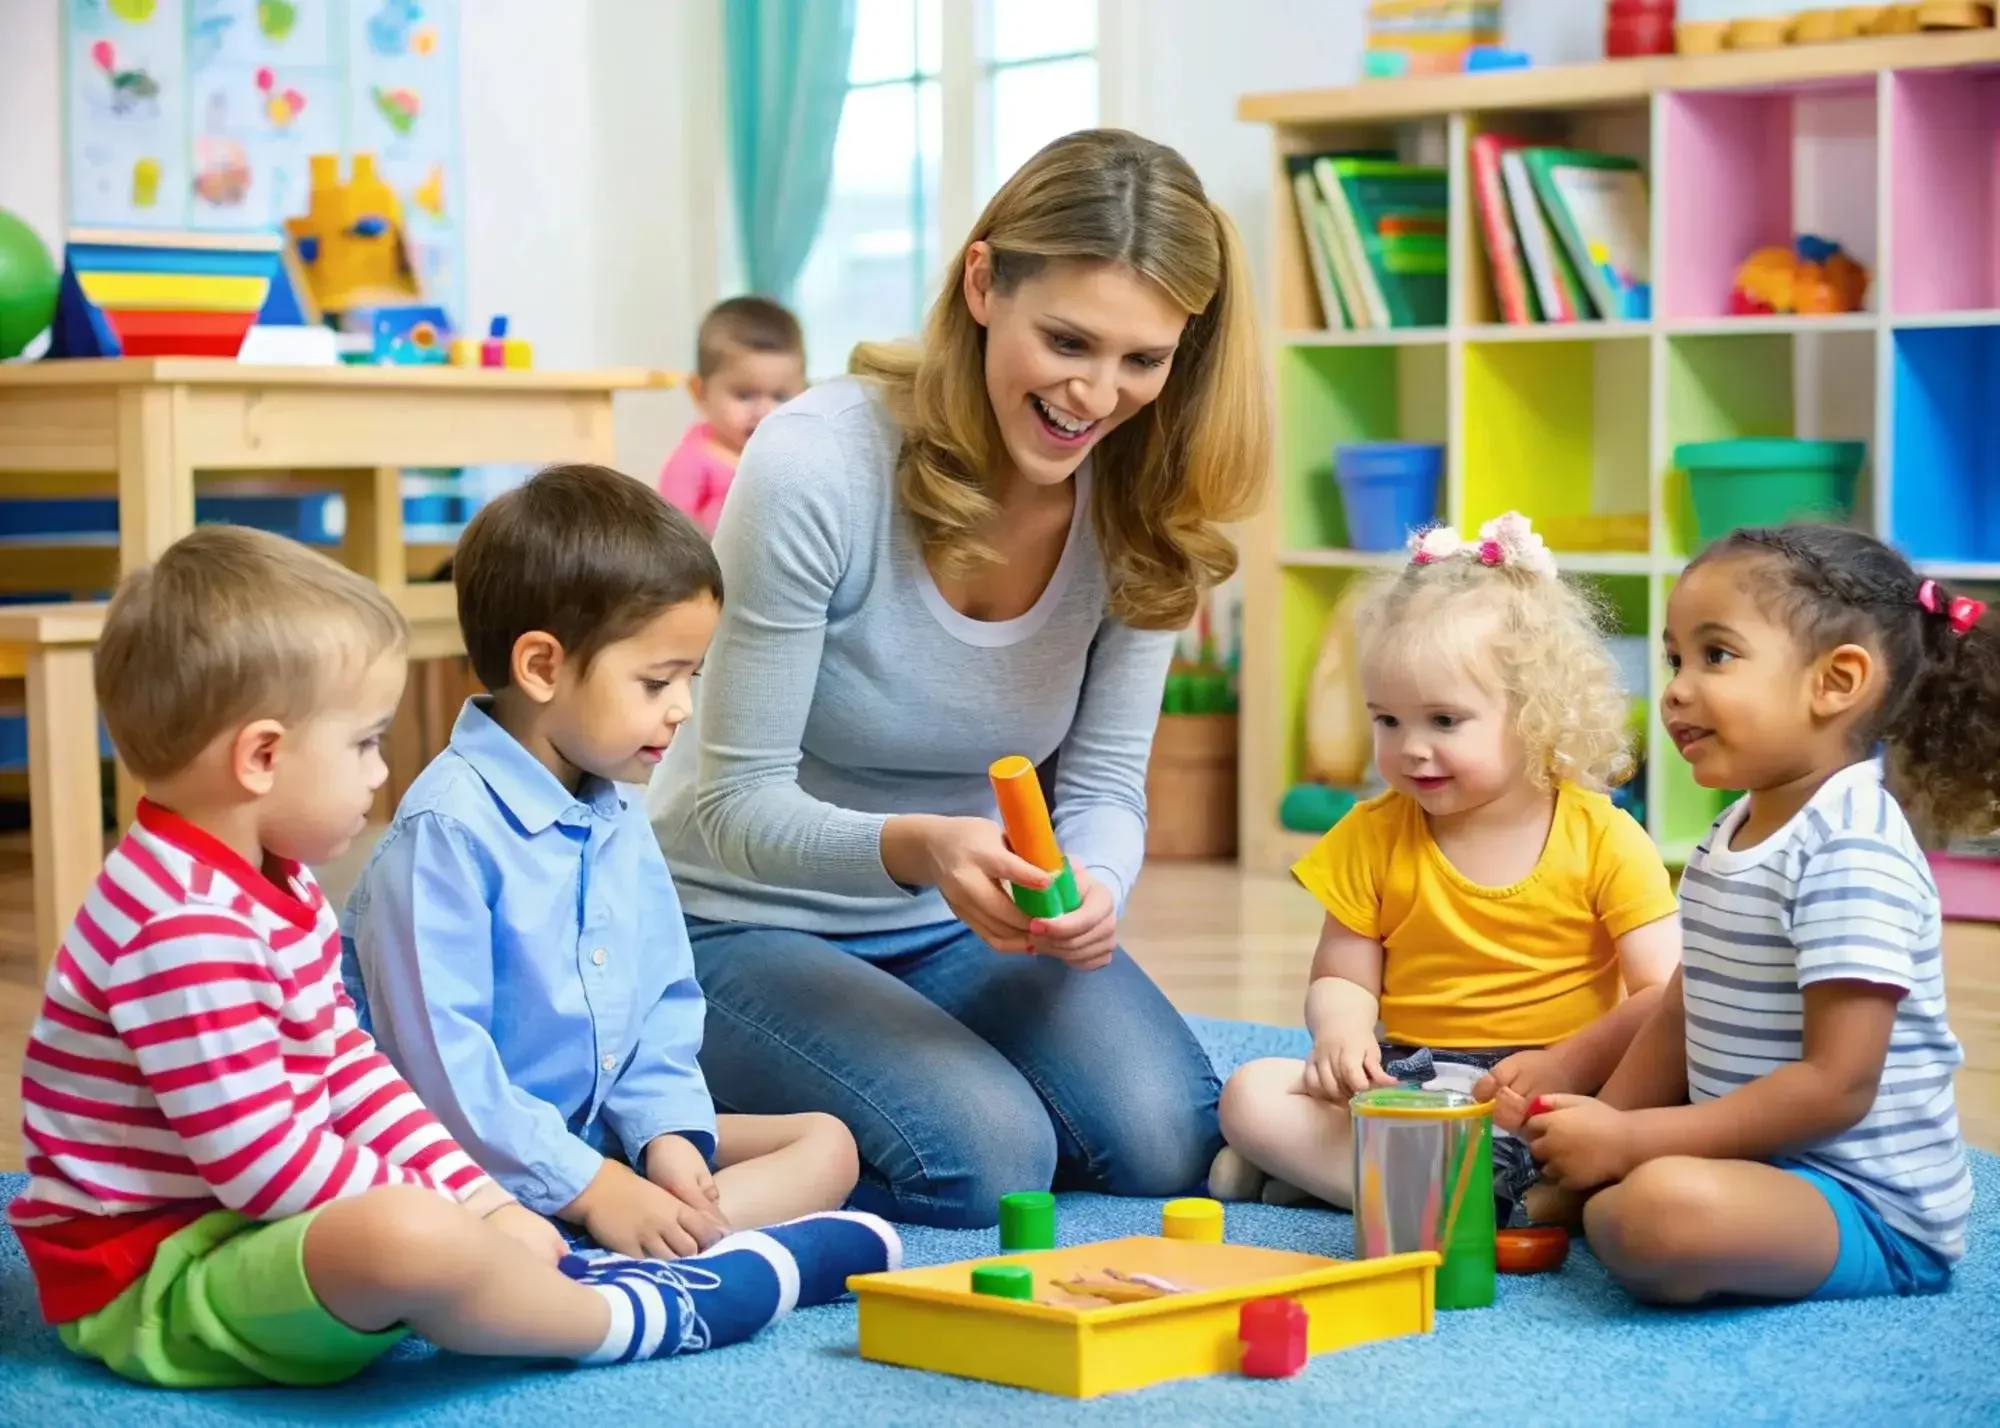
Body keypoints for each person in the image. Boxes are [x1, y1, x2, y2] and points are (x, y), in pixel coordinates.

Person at [8, 526, 897, 1388]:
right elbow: (263, 1164)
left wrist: (500, 1202)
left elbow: (350, 1075)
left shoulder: (274, 885)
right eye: (363, 743)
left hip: (283, 1218)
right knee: (406, 1233)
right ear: (262, 758)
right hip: (164, 1275)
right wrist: (464, 1207)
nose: (380, 771)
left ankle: (620, 1253)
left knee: (821, 1142)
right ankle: (625, 1314)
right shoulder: (182, 925)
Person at [646, 128, 1268, 1227]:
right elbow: (724, 803)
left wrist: (1094, 891)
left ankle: (916, 1071)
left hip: (963, 919)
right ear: (983, 283)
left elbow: (1105, 789)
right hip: (739, 917)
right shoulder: (817, 464)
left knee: (1167, 1137)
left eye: (1143, 359)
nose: (1096, 394)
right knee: (986, 1158)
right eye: (1066, 340)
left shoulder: (1144, 505)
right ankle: (670, 1099)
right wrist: (921, 848)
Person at [344, 465, 862, 1260]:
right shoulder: (445, 831)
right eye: (657, 681)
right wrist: (591, 1186)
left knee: (828, 1144)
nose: (682, 706)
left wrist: (667, 1137)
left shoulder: (617, 809)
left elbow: (659, 1002)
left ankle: (653, 1236)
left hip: (594, 1141)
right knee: (439, 1245)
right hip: (459, 1164)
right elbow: (442, 1076)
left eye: (691, 676)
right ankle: (613, 1239)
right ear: (543, 668)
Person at [1528, 524, 1985, 1304]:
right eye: (1676, 659)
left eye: (1717, 655)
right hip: (1749, 1164)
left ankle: (1643, 1198)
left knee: (1656, 1216)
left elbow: (1835, 1087)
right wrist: (1598, 1132)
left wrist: (1630, 1144)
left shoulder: (1852, 848)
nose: (1675, 688)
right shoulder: (1733, 829)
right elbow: (1683, 1008)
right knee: (1627, 1185)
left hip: (1863, 1202)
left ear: (1836, 683)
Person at [1210, 514, 1681, 1226]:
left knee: (1665, 1111)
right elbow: (1342, 972)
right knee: (1250, 1091)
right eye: (1387, 721)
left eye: (1444, 720)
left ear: (1533, 715)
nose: (1411, 750)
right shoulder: (1372, 834)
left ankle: (1350, 1180)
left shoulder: (1604, 835)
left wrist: (1569, 1064)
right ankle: (1466, 1195)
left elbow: (1661, 995)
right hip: (1417, 1085)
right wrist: (1342, 1034)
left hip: (1559, 1091)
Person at [657, 296, 807, 535]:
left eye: (780, 396)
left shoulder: (802, 454)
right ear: (701, 392)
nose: (764, 411)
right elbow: (671, 536)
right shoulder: (693, 462)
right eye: (745, 395)